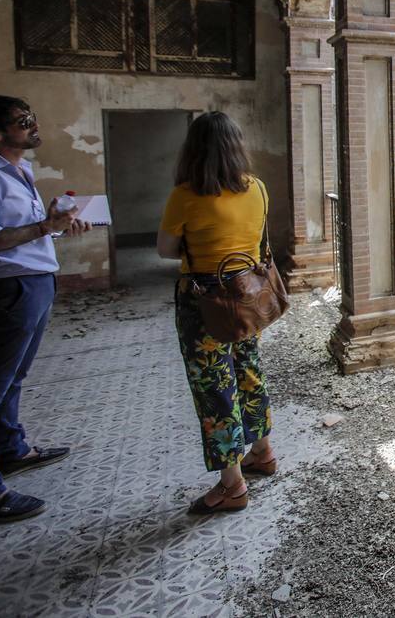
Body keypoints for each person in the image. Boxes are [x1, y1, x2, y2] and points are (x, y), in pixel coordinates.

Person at [0, 95, 91, 522]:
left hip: (34, 281)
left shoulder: (18, 169)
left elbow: (23, 233)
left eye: (31, 117)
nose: (32, 125)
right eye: (22, 121)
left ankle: (12, 449)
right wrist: (45, 226)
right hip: (9, 288)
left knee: (14, 377)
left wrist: (56, 227)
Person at [156, 111, 275, 515]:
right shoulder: (257, 188)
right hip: (246, 298)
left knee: (214, 389)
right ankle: (262, 452)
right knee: (248, 371)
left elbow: (165, 250)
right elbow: (257, 242)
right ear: (236, 146)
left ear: (194, 150)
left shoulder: (185, 195)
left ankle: (232, 486)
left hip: (203, 303)